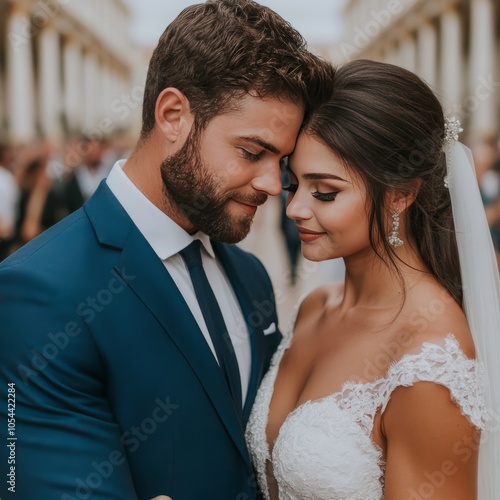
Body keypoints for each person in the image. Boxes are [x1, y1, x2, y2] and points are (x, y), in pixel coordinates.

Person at [0, 1, 333, 499]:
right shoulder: (39, 291)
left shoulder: (249, 274)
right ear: (173, 115)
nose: (271, 183)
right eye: (251, 152)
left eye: (281, 160)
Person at [246, 59, 500, 499]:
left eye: (325, 192)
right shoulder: (315, 306)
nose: (294, 210)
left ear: (401, 193)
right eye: (294, 186)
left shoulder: (430, 359)